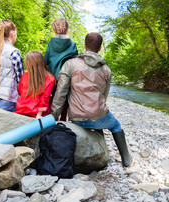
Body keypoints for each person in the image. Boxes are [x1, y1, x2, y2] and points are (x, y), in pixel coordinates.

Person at [51, 32, 132, 167]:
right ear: (100, 48)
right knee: (116, 126)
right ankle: (127, 159)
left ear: (84, 45)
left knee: (98, 121)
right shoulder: (107, 70)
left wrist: (54, 116)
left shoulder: (70, 64)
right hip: (99, 117)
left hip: (76, 118)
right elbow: (104, 97)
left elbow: (61, 93)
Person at [15, 51, 55, 119]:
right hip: (36, 113)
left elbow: (20, 91)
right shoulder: (50, 79)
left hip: (21, 110)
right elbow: (45, 99)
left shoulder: (24, 76)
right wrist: (39, 115)